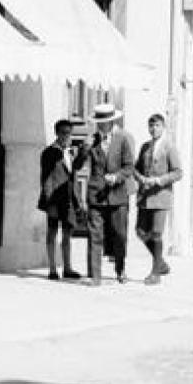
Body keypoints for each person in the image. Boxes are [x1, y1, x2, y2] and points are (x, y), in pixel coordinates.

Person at [83, 102, 139, 286]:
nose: (101, 125)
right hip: (96, 195)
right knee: (95, 236)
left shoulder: (122, 138)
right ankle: (96, 276)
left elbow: (129, 166)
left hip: (118, 195)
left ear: (111, 121)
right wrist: (84, 149)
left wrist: (117, 177)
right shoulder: (91, 140)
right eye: (99, 121)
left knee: (119, 235)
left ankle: (120, 269)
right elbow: (77, 167)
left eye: (105, 122)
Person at [134, 113, 183, 286]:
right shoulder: (145, 147)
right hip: (145, 196)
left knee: (156, 234)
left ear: (163, 127)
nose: (153, 129)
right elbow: (135, 168)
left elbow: (178, 173)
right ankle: (160, 261)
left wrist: (159, 180)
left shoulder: (169, 147)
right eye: (151, 126)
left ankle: (155, 273)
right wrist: (141, 179)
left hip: (161, 197)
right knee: (140, 231)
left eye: (157, 126)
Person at [38, 119, 83, 281]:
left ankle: (68, 267)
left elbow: (75, 175)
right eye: (63, 133)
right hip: (54, 199)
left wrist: (78, 199)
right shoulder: (49, 152)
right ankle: (52, 269)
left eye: (69, 133)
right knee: (52, 232)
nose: (66, 136)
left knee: (67, 233)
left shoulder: (72, 152)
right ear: (57, 133)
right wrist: (49, 200)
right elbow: (46, 178)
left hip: (69, 198)